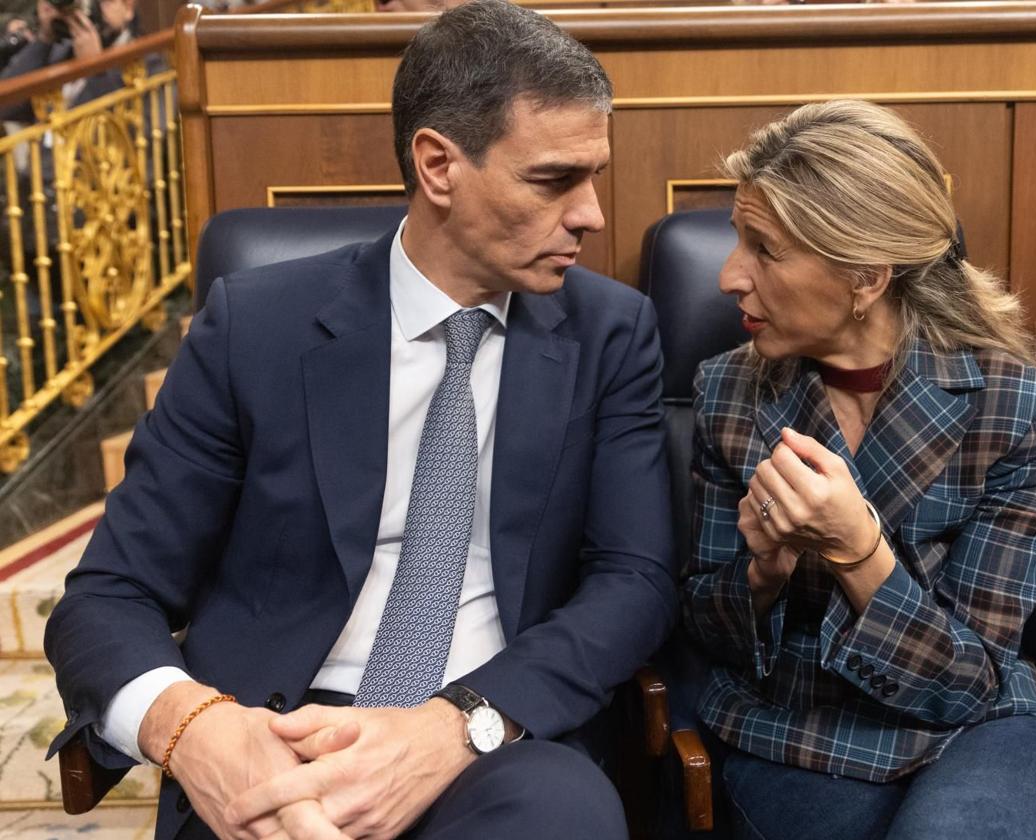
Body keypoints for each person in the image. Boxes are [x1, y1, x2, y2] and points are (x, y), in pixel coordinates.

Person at [44, 2, 676, 838]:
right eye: (555, 179)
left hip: (493, 749)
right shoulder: (257, 327)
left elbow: (633, 582)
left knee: (564, 815)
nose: (593, 214)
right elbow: (108, 594)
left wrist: (458, 724)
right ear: (438, 165)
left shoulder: (611, 333)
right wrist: (196, 730)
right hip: (271, 737)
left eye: (594, 175)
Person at [680, 99, 1036, 840]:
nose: (728, 277)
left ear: (866, 276)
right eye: (735, 241)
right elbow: (708, 638)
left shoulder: (1018, 407)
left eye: (763, 249)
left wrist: (857, 551)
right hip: (803, 730)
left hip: (985, 728)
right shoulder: (729, 391)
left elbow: (971, 681)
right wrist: (763, 572)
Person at [0, 0, 140, 122]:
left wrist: (95, 70)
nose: (93, 7)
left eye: (103, 1)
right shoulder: (60, 53)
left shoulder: (146, 63)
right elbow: (5, 107)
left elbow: (136, 136)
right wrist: (44, 39)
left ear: (128, 7)